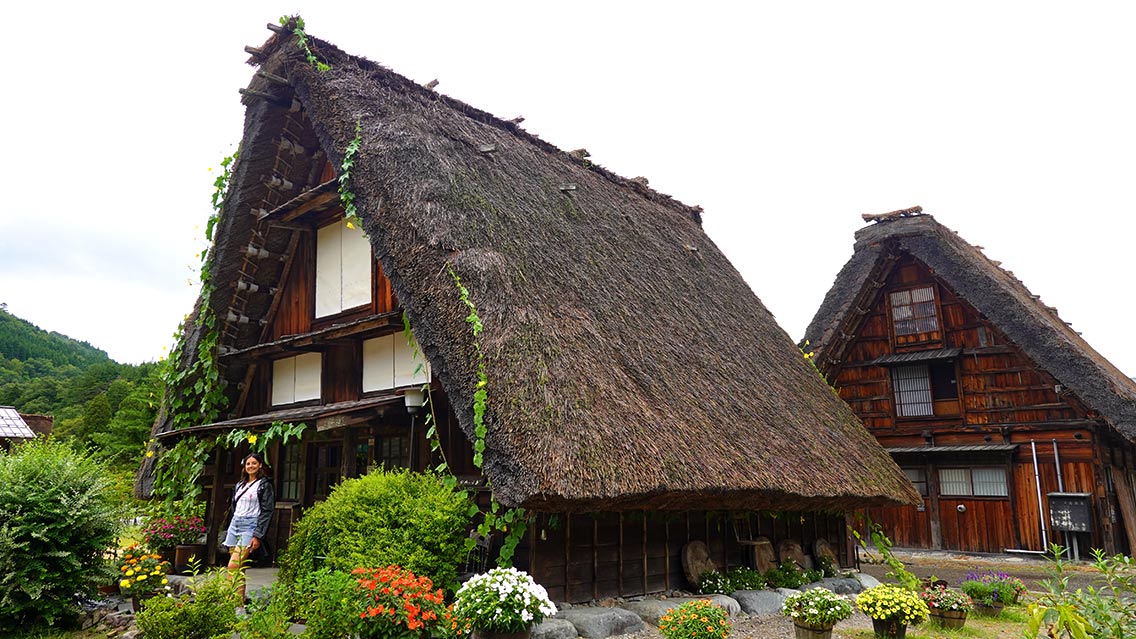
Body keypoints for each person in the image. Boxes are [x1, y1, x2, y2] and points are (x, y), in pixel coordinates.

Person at [223, 451, 275, 608]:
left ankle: (231, 602)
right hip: (235, 524)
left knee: (233, 565)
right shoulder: (240, 484)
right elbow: (234, 506)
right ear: (244, 467)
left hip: (250, 525)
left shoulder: (264, 485)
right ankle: (237, 605)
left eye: (254, 463)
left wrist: (258, 535)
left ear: (260, 465)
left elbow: (267, 510)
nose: (250, 466)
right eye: (248, 464)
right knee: (239, 569)